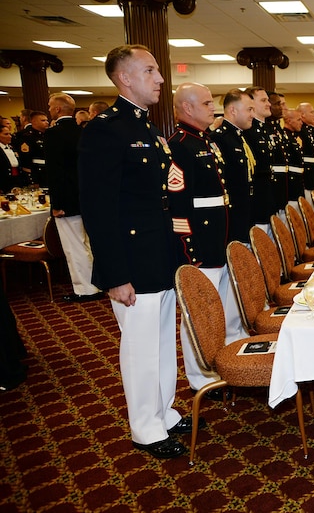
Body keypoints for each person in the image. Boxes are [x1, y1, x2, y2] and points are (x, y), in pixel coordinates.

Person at [78, 44, 192, 459]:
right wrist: (114, 274)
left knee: (162, 342)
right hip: (129, 260)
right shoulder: (105, 129)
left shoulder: (145, 128)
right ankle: (145, 428)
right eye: (150, 71)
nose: (160, 79)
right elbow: (98, 208)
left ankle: (162, 411)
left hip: (156, 254)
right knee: (140, 347)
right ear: (124, 78)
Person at [167, 82, 239, 399]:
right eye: (208, 103)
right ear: (187, 108)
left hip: (217, 238)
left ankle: (216, 365)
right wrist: (190, 251)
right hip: (200, 243)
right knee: (198, 314)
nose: (213, 108)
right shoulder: (180, 144)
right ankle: (198, 377)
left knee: (217, 311)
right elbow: (179, 206)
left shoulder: (205, 140)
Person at [45, 92, 103, 303]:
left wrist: (57, 204)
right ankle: (97, 282)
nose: (49, 109)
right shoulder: (83, 132)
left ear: (58, 109)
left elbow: (55, 172)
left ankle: (85, 289)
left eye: (51, 106)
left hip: (67, 200)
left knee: (74, 245)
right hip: (87, 197)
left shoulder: (54, 134)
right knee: (89, 243)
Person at [210, 88, 256, 248]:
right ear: (233, 110)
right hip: (233, 216)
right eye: (249, 109)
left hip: (245, 213)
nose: (252, 114)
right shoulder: (220, 138)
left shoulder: (238, 137)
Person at [244, 86, 278, 234]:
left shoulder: (266, 130)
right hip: (258, 202)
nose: (268, 104)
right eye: (263, 100)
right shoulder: (248, 132)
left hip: (269, 199)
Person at [17, 110, 48, 186]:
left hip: (48, 173)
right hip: (37, 174)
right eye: (43, 120)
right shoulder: (27, 136)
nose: (47, 122)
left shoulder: (48, 135)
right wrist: (33, 179)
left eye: (47, 120)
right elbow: (26, 160)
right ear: (34, 121)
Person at [0, 125, 22, 192]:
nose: (10, 136)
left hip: (16, 180)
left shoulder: (12, 147)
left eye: (10, 134)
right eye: (6, 134)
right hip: (3, 182)